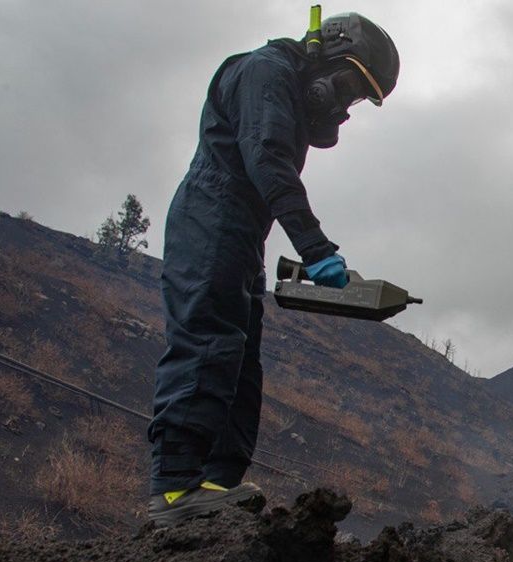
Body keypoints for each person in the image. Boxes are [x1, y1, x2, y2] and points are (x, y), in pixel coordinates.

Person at [146, 12, 400, 526]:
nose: (345, 104)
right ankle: (174, 492)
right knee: (208, 341)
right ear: (326, 55)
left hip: (240, 231)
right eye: (350, 86)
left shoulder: (284, 84)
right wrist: (316, 248)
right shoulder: (267, 72)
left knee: (240, 360)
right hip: (210, 219)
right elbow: (267, 159)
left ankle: (219, 486)